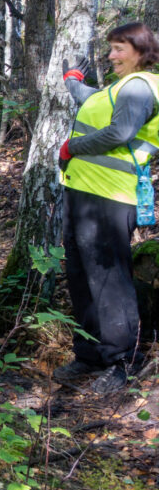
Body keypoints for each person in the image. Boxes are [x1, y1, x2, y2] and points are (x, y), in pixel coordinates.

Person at [53, 22, 159, 393]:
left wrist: (71, 148)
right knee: (82, 276)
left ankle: (122, 361)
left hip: (110, 197)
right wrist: (71, 81)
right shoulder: (118, 87)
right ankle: (89, 354)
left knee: (109, 281)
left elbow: (120, 132)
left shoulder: (140, 87)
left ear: (141, 51)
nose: (111, 55)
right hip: (84, 194)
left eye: (119, 49)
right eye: (111, 48)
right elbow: (91, 99)